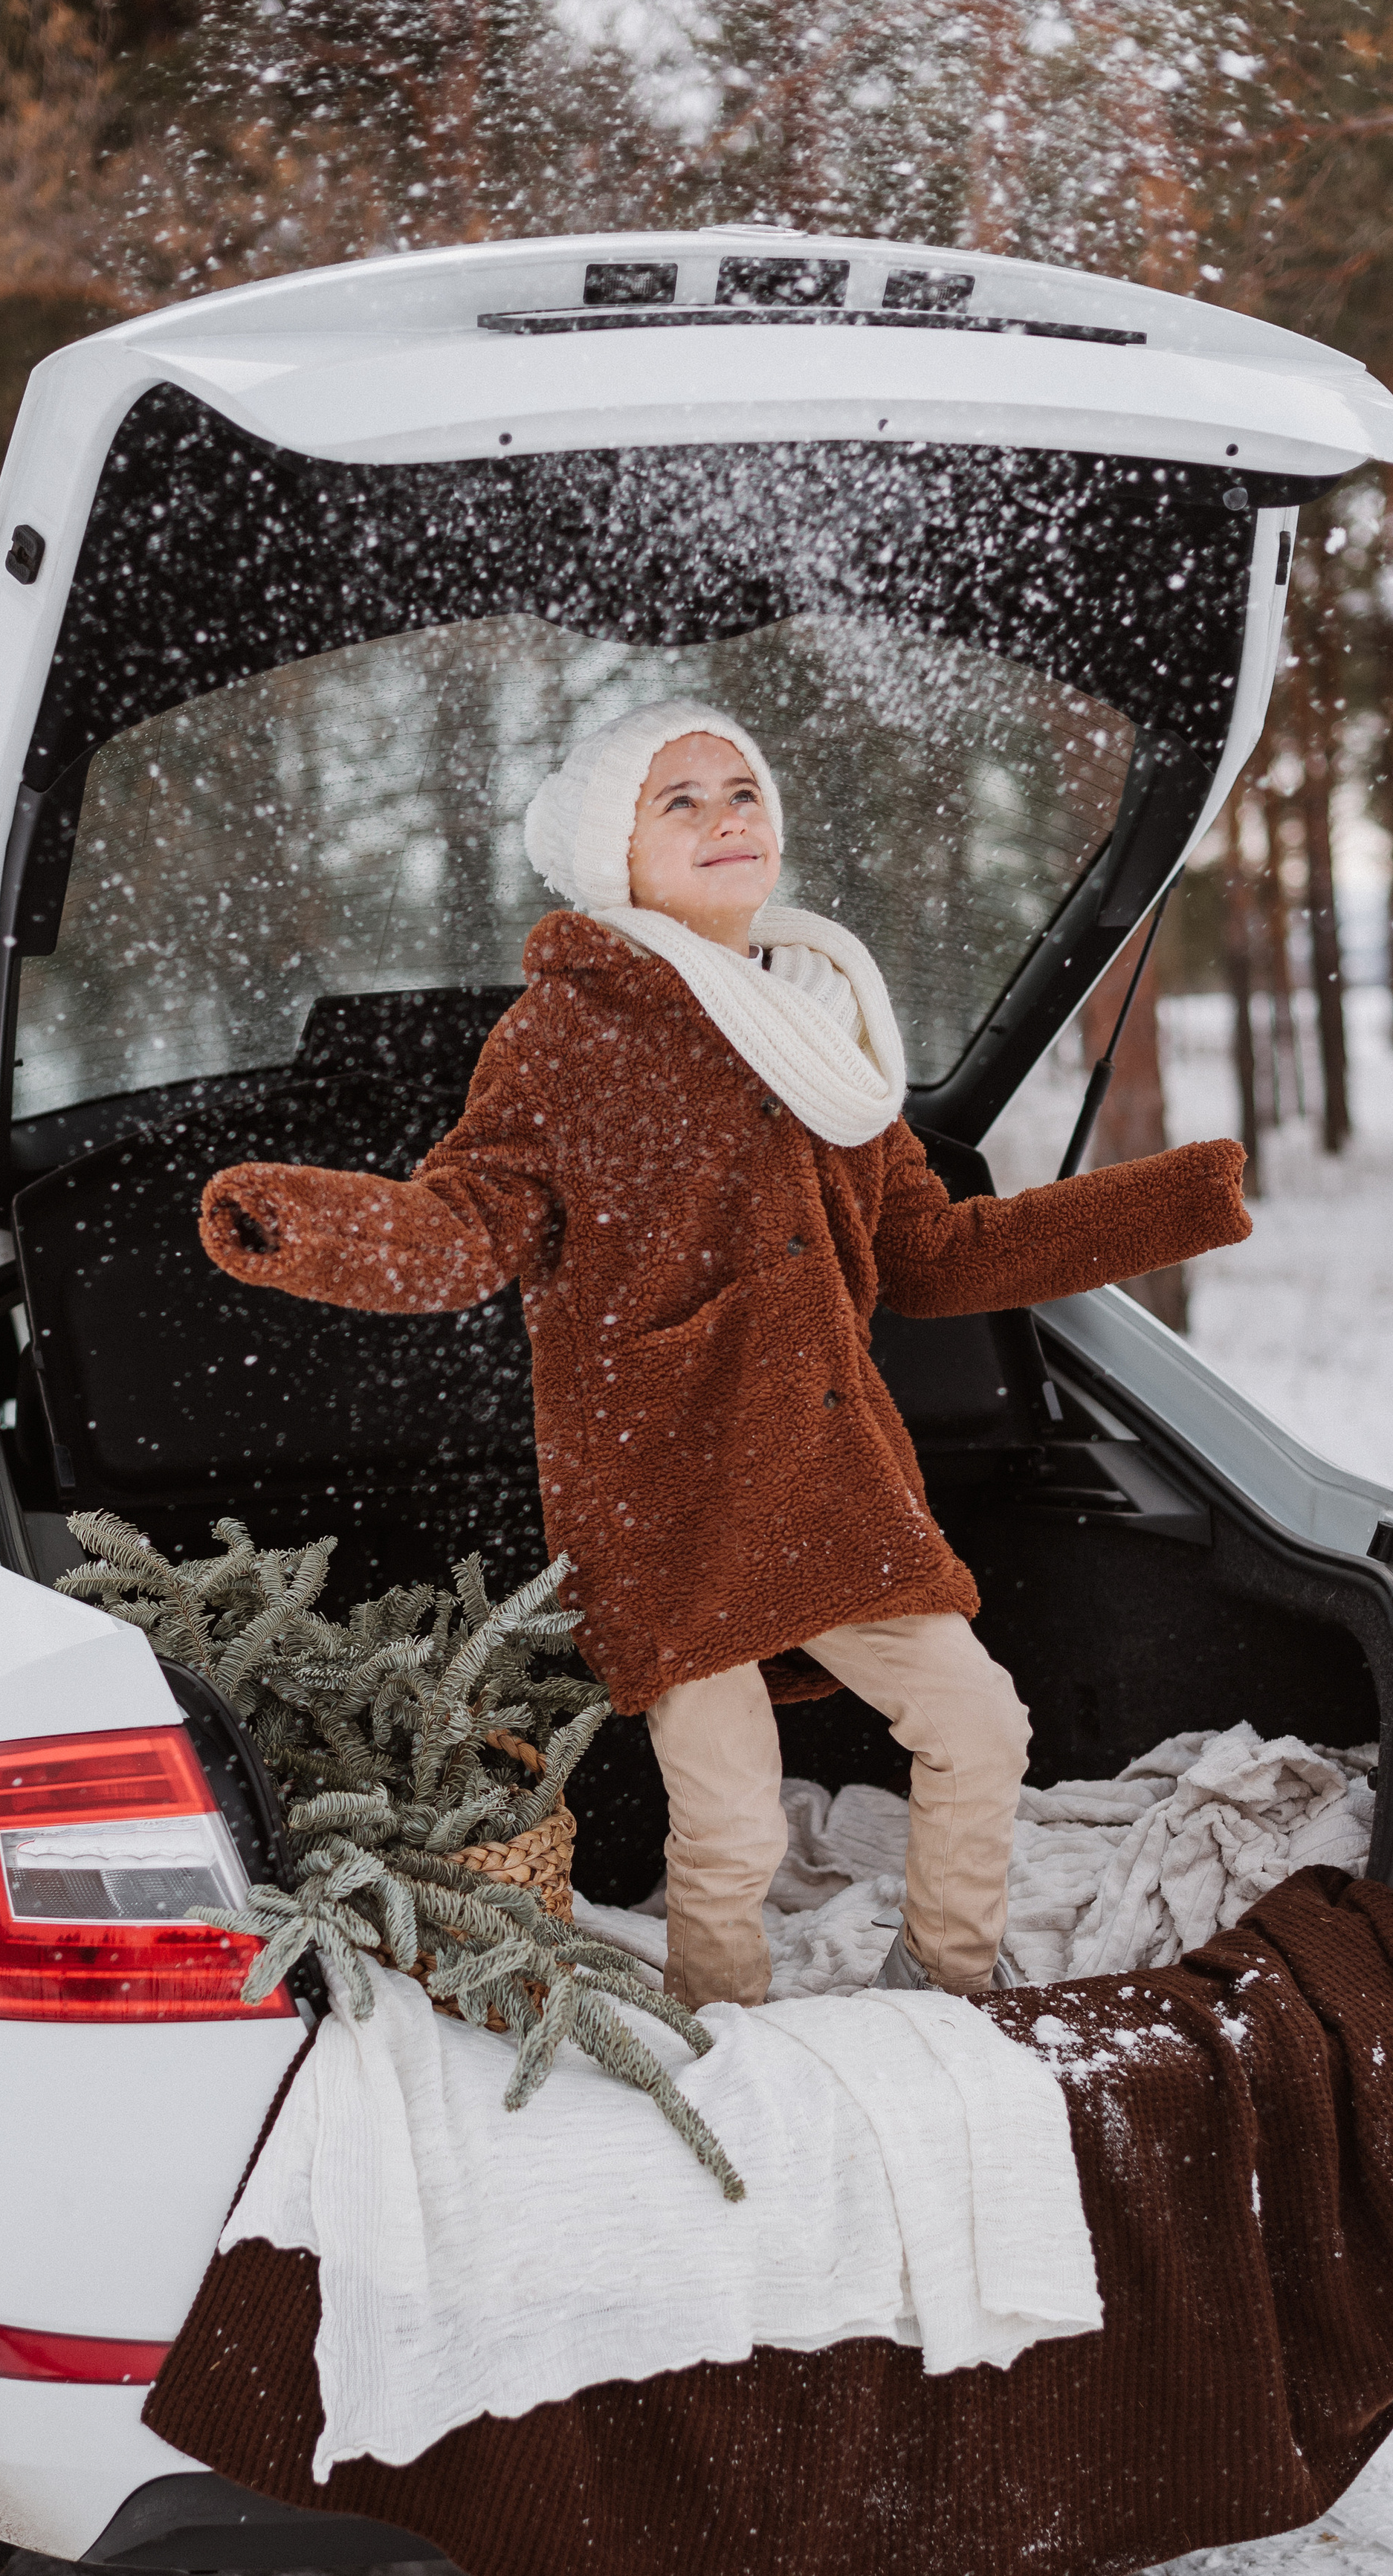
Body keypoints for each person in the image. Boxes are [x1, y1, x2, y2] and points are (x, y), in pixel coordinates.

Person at [198, 699, 1250, 2010]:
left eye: (741, 791)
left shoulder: (826, 1028)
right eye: (678, 800)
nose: (723, 819)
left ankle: (940, 1998)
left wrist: (1171, 1202)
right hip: (670, 1491)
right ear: (611, 851)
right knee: (739, 1824)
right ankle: (723, 2044)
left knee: (981, 1728)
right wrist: (300, 1222)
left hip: (830, 1476)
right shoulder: (567, 1033)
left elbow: (933, 1252)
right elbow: (466, 1224)